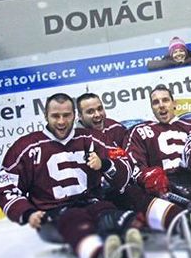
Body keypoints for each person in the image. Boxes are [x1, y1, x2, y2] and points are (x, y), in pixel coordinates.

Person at [0, 93, 142, 258]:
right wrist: (27, 213)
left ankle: (127, 245)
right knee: (77, 222)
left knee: (114, 216)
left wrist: (105, 165)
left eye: (66, 115)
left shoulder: (92, 138)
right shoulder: (26, 147)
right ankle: (101, 257)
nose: (61, 121)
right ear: (45, 116)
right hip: (55, 212)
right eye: (55, 116)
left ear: (75, 115)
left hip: (93, 203)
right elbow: (6, 188)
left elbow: (126, 168)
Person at [77, 93, 183, 233]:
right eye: (90, 112)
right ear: (79, 116)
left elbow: (130, 159)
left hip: (125, 187)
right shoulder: (77, 139)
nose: (97, 114)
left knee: (140, 191)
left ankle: (181, 220)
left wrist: (143, 175)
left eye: (100, 108)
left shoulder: (115, 128)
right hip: (98, 196)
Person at [123, 85, 191, 201]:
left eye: (165, 100)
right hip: (162, 192)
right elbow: (133, 163)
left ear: (174, 103)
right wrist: (147, 176)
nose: (161, 105)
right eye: (156, 102)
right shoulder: (139, 131)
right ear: (152, 107)